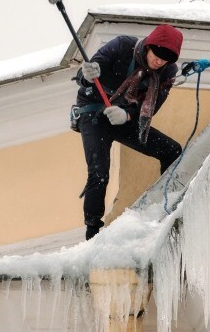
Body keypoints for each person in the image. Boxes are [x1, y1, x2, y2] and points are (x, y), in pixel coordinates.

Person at [73, 24, 184, 240]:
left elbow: (154, 105)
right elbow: (84, 75)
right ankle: (92, 231)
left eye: (166, 58)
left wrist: (128, 115)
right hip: (94, 113)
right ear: (149, 46)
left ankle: (168, 204)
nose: (159, 61)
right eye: (158, 54)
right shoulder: (122, 46)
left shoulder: (167, 72)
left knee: (172, 150)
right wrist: (87, 74)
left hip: (125, 119)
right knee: (99, 173)